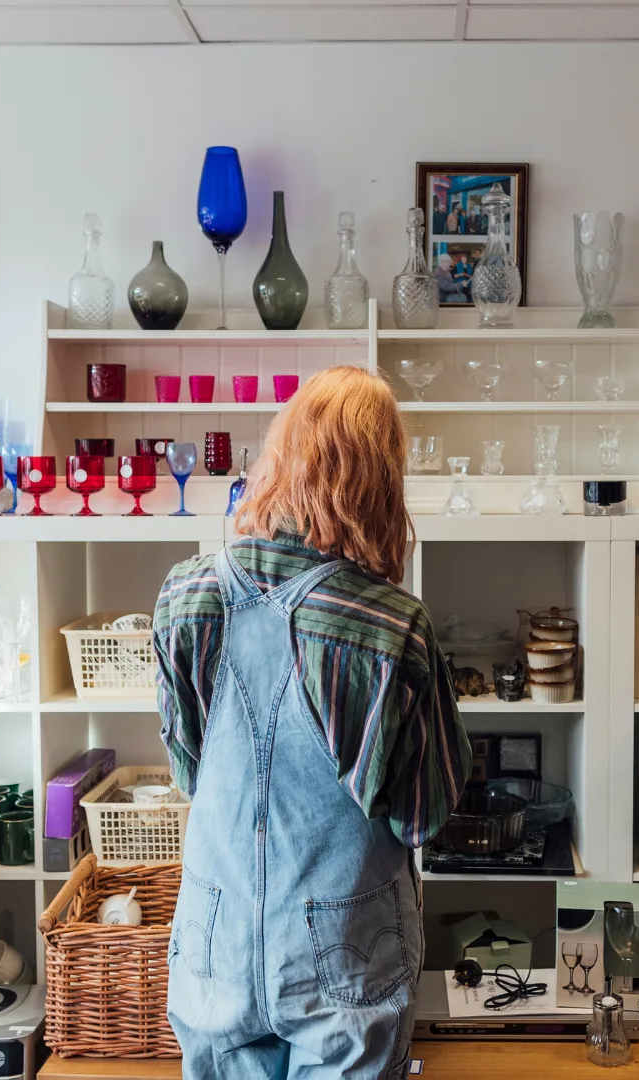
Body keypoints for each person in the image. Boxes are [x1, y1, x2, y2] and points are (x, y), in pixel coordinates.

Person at [156, 366, 469, 1080]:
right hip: (345, 949)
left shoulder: (184, 594)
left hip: (214, 941)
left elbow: (188, 772)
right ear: (379, 478)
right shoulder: (392, 625)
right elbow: (423, 818)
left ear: (282, 454)